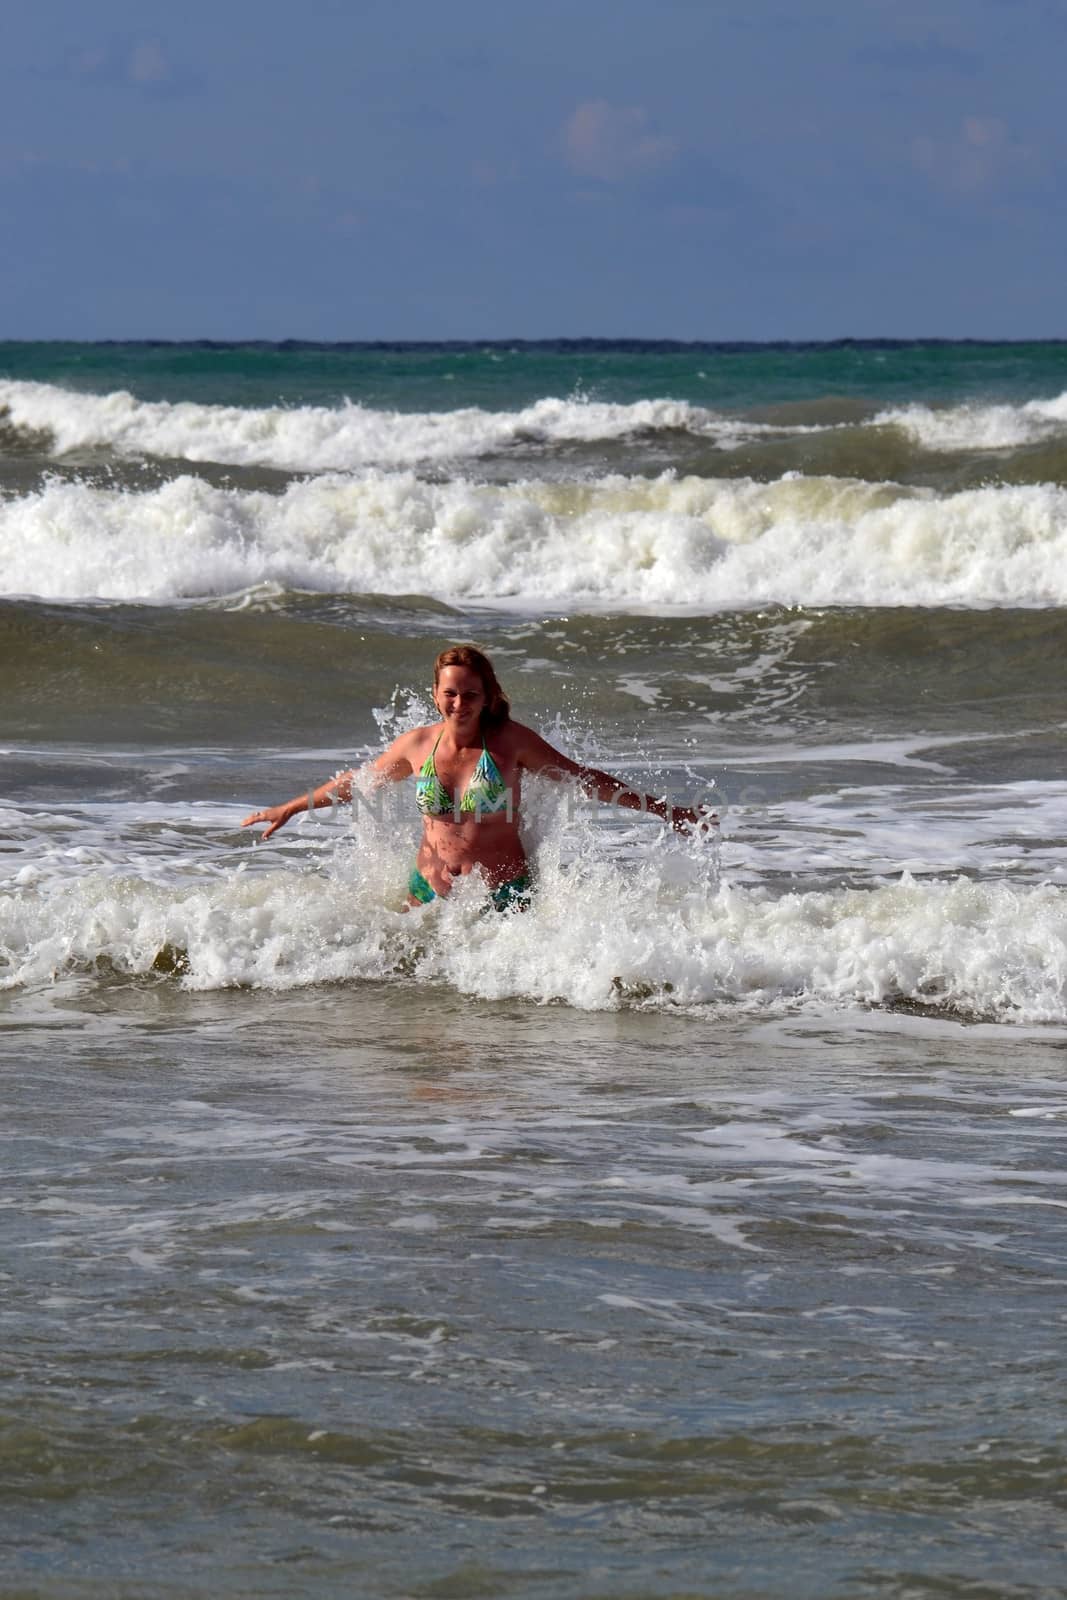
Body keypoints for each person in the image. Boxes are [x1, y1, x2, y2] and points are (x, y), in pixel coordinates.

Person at [241, 644, 714, 910]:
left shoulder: (510, 741)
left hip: (503, 891)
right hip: (428, 887)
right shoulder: (418, 745)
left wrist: (665, 811)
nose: (459, 703)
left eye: (471, 694)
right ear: (435, 694)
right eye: (450, 693)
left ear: (488, 697)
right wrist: (292, 806)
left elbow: (582, 779)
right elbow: (358, 783)